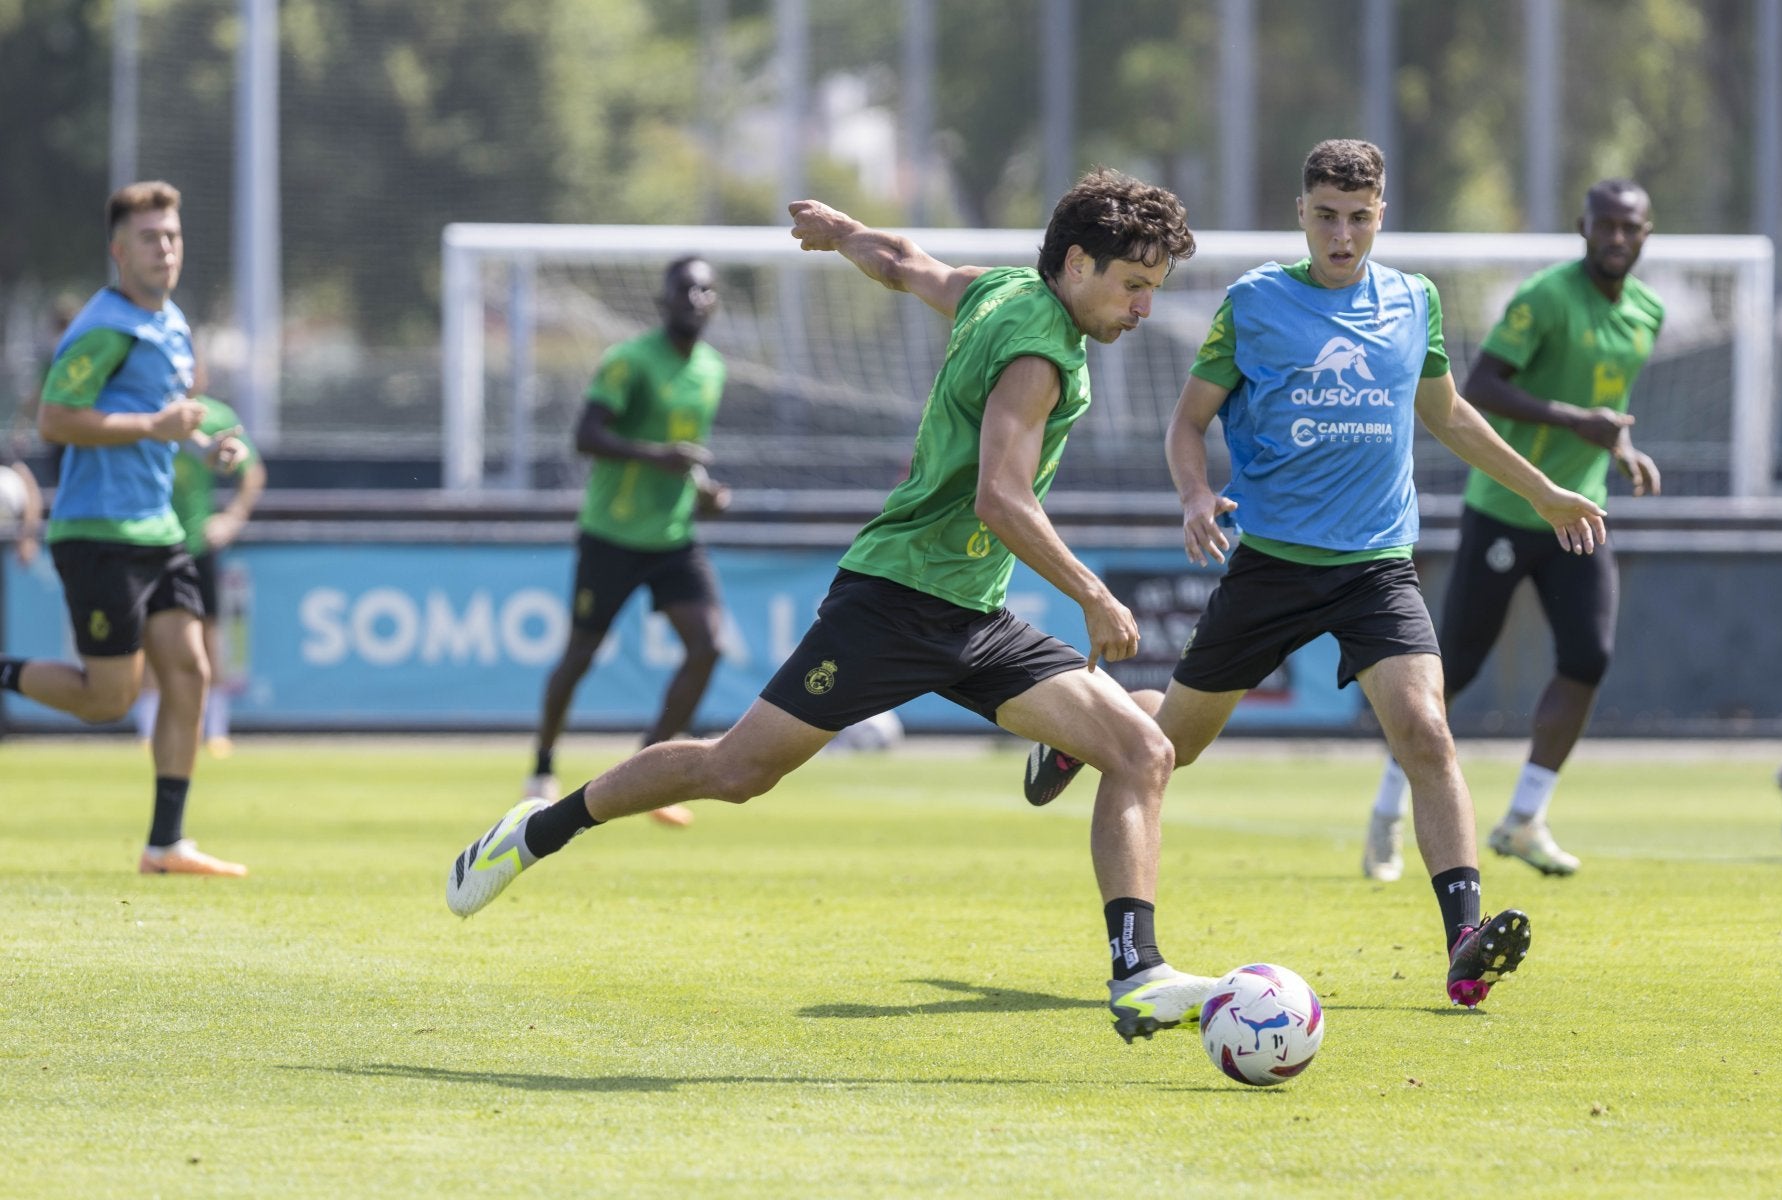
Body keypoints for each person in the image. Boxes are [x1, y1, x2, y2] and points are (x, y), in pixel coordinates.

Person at [449, 169, 1216, 1043]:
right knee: (733, 772)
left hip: (972, 614)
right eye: (1135, 286)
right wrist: (1093, 592)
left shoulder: (1000, 287)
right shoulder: (1038, 355)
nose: (1145, 309)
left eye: (1152, 290)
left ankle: (1138, 971)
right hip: (891, 604)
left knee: (1142, 748)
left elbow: (902, 260)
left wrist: (844, 231)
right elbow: (1000, 500)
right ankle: (535, 831)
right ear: (1078, 264)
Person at [1021, 140, 1609, 1010]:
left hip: (1377, 567)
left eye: (1359, 217)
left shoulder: (1416, 301)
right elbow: (1188, 425)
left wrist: (1547, 490)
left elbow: (1448, 414)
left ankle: (1465, 941)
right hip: (1271, 568)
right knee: (1169, 748)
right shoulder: (1254, 303)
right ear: (1301, 213)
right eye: (1327, 215)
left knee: (1427, 731)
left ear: (1381, 215)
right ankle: (1081, 729)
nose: (1343, 234)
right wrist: (1192, 497)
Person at [1360, 180, 1663, 882]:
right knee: (1454, 669)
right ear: (1582, 226)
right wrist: (1573, 421)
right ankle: (1386, 809)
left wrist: (1615, 446)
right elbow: (1481, 387)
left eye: (1630, 227)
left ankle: (1526, 816)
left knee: (1589, 656)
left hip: (1578, 511)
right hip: (1506, 505)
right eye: (1605, 225)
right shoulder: (1545, 298)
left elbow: (1604, 409)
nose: (1617, 238)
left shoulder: (1648, 310)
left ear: (1646, 233)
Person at [0, 180, 247, 876]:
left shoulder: (172, 323)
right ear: (119, 250)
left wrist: (208, 443)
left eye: (171, 235)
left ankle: (165, 844)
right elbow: (55, 418)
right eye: (149, 237)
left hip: (158, 529)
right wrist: (155, 427)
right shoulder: (102, 326)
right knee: (108, 698)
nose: (164, 248)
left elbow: (176, 411)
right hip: (98, 533)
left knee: (192, 670)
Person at [523, 257, 733, 829]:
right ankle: (541, 767)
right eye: (684, 289)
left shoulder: (712, 369)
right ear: (663, 301)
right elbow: (585, 437)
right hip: (612, 534)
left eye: (705, 289)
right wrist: (657, 457)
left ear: (716, 302)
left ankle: (649, 769)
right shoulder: (629, 361)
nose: (695, 298)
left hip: (672, 536)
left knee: (707, 645)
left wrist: (705, 493)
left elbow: (685, 457)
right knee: (580, 655)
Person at [131, 393, 266, 757]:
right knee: (149, 636)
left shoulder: (215, 416)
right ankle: (147, 729)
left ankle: (216, 730)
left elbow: (250, 471)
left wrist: (232, 518)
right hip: (145, 541)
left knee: (208, 636)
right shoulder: (145, 408)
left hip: (194, 546)